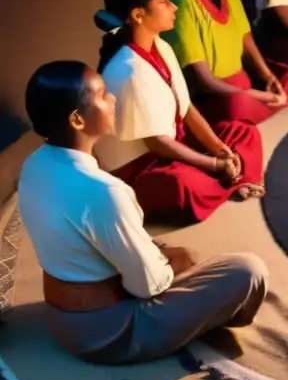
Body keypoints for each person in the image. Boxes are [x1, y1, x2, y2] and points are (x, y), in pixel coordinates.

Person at [17, 60, 268, 364]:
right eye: (102, 94)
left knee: (168, 253)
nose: (112, 100)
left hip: (60, 319)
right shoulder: (105, 191)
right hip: (110, 334)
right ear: (77, 120)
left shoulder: (33, 165)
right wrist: (172, 262)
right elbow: (147, 286)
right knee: (246, 270)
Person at [95, 0, 265, 224]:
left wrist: (220, 150)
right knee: (182, 185)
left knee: (245, 132)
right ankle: (230, 180)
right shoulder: (128, 70)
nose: (174, 6)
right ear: (139, 14)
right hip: (141, 167)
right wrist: (212, 165)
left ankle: (230, 176)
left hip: (174, 146)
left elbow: (186, 109)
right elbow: (157, 143)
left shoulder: (160, 45)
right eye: (165, 2)